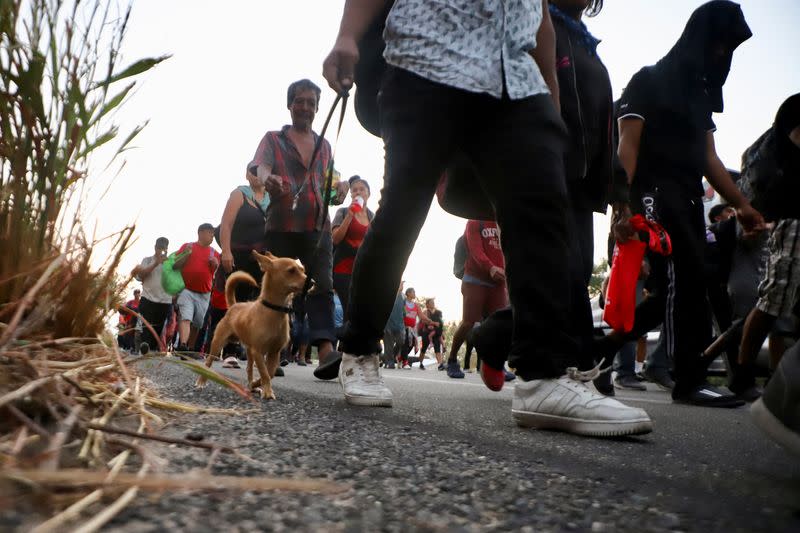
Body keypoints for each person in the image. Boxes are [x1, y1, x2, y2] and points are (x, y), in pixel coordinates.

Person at [323, 0, 652, 437]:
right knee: (404, 207)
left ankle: (543, 377)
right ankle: (360, 350)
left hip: (514, 78)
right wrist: (348, 34)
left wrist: (549, 89)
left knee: (542, 206)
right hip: (428, 56)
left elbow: (539, 15)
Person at [601, 0, 763, 407]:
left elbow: (710, 158)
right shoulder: (648, 81)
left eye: (730, 49)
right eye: (721, 45)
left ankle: (597, 352)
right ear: (701, 39)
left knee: (672, 290)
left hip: (689, 196)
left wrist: (742, 204)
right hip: (652, 193)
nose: (724, 55)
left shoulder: (700, 97)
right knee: (685, 277)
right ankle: (687, 379)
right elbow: (627, 145)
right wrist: (621, 206)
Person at [249, 78, 349, 380]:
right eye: (300, 101)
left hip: (317, 228)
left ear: (318, 108)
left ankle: (325, 351)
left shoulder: (325, 146)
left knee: (322, 284)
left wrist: (340, 191)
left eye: (311, 103)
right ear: (290, 105)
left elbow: (328, 188)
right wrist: (268, 177)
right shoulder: (273, 139)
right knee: (276, 289)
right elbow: (256, 167)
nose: (305, 107)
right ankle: (269, 352)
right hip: (281, 225)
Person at [737, 94, 800, 399]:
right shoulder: (796, 112)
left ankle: (782, 382)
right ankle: (743, 374)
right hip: (794, 220)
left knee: (781, 306)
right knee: (773, 301)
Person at [446, 220, 508, 380]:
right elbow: (476, 250)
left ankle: (496, 364)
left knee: (500, 325)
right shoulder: (475, 221)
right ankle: (452, 360)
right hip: (475, 278)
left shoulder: (504, 221)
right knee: (469, 322)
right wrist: (491, 267)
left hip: (498, 283)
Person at [218, 168, 270, 302]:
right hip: (239, 260)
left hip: (263, 261)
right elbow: (226, 224)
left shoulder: (274, 198)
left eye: (260, 171)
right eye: (252, 171)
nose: (257, 174)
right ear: (247, 175)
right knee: (239, 306)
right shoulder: (239, 194)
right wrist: (226, 252)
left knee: (262, 306)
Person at [174, 223, 221, 352]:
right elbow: (175, 266)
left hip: (204, 294)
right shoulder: (188, 246)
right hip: (186, 290)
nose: (212, 236)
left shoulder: (215, 253)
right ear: (200, 233)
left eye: (213, 233)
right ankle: (183, 345)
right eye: (210, 233)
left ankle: (190, 347)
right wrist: (186, 254)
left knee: (198, 323)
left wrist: (215, 265)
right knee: (186, 317)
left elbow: (215, 274)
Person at [331, 176, 375, 315]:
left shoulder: (373, 217)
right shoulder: (343, 212)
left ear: (368, 193)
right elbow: (335, 239)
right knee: (350, 312)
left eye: (362, 189)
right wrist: (350, 215)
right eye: (354, 190)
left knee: (363, 313)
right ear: (351, 194)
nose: (358, 192)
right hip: (343, 271)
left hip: (364, 273)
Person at [131, 237, 172, 354]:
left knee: (158, 329)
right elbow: (141, 275)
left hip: (164, 301)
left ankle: (151, 349)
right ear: (155, 247)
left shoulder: (171, 262)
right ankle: (145, 346)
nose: (161, 250)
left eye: (164, 248)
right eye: (159, 247)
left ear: (167, 249)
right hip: (147, 299)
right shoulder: (147, 260)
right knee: (146, 326)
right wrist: (156, 263)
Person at [382, 283, 405, 369]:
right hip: (388, 324)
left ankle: (390, 357)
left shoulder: (402, 297)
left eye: (402, 285)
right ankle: (389, 362)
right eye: (400, 284)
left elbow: (403, 310)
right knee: (388, 345)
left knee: (401, 341)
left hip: (399, 325)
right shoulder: (387, 294)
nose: (402, 286)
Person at [419, 298, 443, 370]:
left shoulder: (438, 312)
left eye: (433, 302)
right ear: (427, 304)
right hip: (426, 332)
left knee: (437, 348)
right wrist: (433, 323)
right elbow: (423, 321)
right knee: (424, 349)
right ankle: (421, 363)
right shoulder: (425, 312)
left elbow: (440, 322)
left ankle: (440, 364)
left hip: (436, 332)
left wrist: (441, 331)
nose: (433, 303)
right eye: (431, 302)